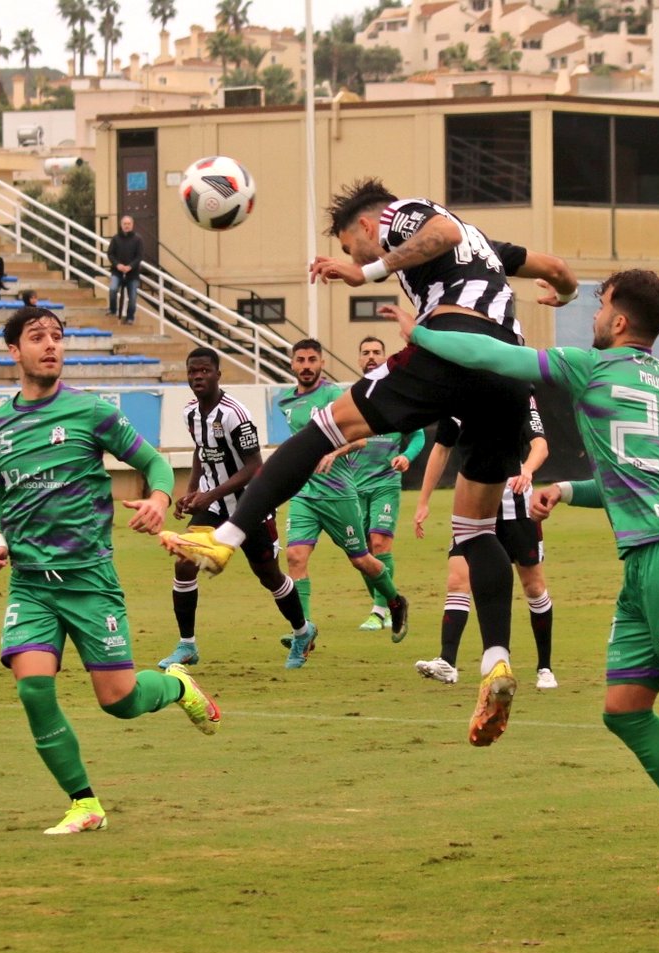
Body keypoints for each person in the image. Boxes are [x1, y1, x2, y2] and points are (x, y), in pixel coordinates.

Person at [381, 269, 659, 903]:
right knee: (624, 710)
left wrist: (420, 334)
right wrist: (567, 490)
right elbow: (640, 479)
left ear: (619, 321)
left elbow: (492, 355)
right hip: (655, 559)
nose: (592, 317)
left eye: (599, 306)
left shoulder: (593, 368)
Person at [160, 178, 577, 747]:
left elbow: (440, 230)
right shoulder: (485, 246)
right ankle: (497, 663)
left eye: (351, 247)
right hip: (507, 376)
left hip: (456, 348)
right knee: (475, 528)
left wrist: (368, 270)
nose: (355, 258)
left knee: (323, 427)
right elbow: (552, 267)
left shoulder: (402, 217)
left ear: (364, 225)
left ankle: (225, 537)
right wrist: (568, 290)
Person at [0, 305, 221, 836]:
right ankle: (84, 803)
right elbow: (1, 491)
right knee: (33, 690)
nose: (51, 345)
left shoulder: (90, 413)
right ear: (14, 350)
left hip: (90, 583)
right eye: (38, 337)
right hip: (31, 586)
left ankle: (177, 687)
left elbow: (156, 464)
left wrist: (159, 499)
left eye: (58, 337)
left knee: (120, 701)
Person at [159, 347, 316, 671]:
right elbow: (202, 452)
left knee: (268, 575)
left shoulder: (235, 414)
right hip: (214, 506)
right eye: (193, 371)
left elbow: (254, 466)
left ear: (218, 374)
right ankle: (187, 645)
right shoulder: (191, 412)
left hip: (250, 506)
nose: (198, 376)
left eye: (204, 371)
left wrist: (209, 493)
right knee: (184, 564)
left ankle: (303, 631)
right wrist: (191, 493)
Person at [413, 394, 558, 691]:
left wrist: (527, 470)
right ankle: (447, 661)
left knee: (533, 586)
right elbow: (441, 449)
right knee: (457, 580)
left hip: (516, 508)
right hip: (472, 510)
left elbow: (540, 445)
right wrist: (423, 501)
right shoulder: (457, 395)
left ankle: (544, 667)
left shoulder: (518, 396)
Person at [272, 338, 409, 643]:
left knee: (361, 558)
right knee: (295, 557)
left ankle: (394, 601)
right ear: (292, 364)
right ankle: (303, 630)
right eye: (301, 360)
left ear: (321, 363)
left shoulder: (336, 395)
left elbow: (362, 438)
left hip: (339, 492)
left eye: (312, 360)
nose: (306, 366)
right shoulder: (285, 402)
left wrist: (333, 452)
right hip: (305, 493)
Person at [352, 335, 426, 631]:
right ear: (359, 359)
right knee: (360, 552)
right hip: (353, 486)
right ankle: (387, 602)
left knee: (380, 543)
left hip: (385, 483)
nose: (371, 356)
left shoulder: (398, 396)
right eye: (366, 352)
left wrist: (406, 456)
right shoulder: (352, 397)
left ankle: (380, 609)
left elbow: (418, 436)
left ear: (385, 357)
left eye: (377, 352)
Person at [107, 215, 143, 325]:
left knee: (132, 298)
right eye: (124, 224)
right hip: (117, 272)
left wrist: (130, 266)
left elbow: (139, 256)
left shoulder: (138, 239)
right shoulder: (115, 238)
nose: (126, 226)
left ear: (132, 225)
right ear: (121, 225)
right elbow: (110, 254)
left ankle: (130, 317)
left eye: (129, 224)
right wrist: (117, 265)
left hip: (132, 274)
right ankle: (113, 310)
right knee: (113, 289)